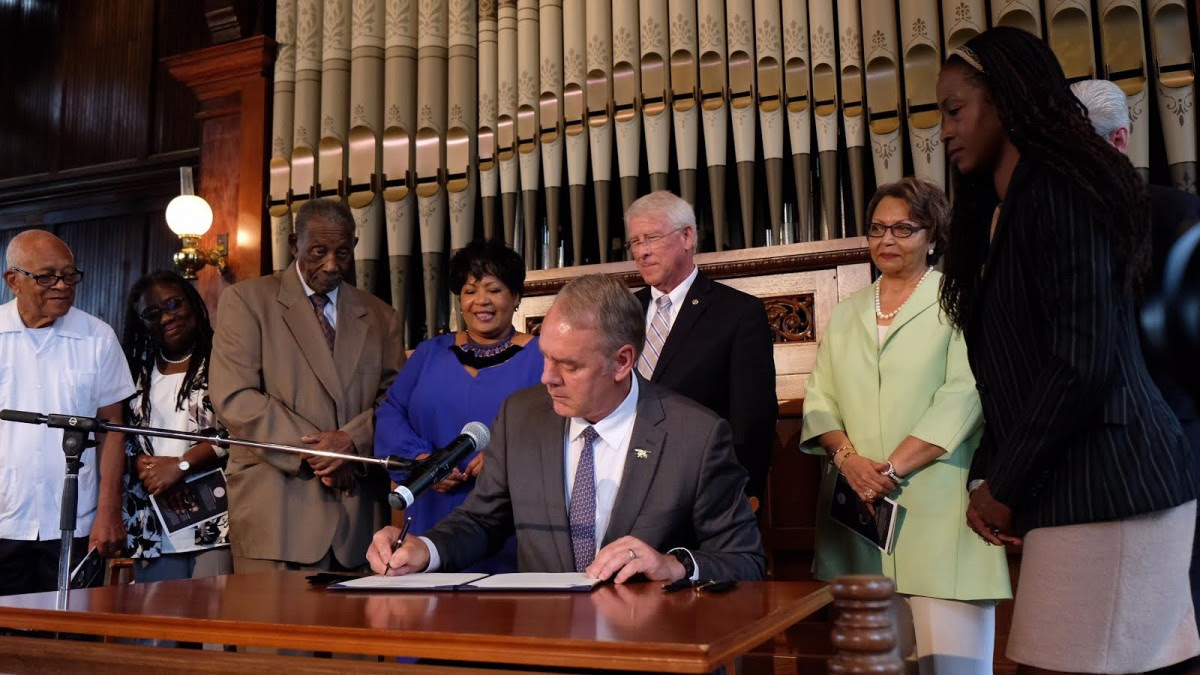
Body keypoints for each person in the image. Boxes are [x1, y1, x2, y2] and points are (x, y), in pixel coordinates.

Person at [937, 28, 1199, 673]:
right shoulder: (1004, 211)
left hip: (1117, 481)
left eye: (954, 109)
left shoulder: (1059, 190)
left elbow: (1084, 358)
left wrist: (1007, 483)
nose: (942, 131)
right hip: (1081, 484)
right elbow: (1013, 374)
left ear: (1005, 100)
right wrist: (988, 476)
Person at [366, 274, 765, 583]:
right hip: (547, 647)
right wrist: (425, 549)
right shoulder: (521, 416)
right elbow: (482, 521)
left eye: (569, 365)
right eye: (545, 358)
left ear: (622, 361)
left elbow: (743, 560)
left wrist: (674, 565)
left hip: (651, 649)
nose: (546, 378)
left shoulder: (695, 434)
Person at [800, 179, 1010, 673]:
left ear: (934, 235)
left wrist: (890, 470)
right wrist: (850, 462)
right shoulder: (848, 310)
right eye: (877, 229)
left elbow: (965, 393)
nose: (886, 240)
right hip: (858, 519)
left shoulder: (960, 298)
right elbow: (819, 397)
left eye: (903, 228)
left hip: (939, 513)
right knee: (872, 665)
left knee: (951, 666)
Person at [210, 199, 405, 573]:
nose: (332, 265)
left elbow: (396, 401)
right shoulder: (247, 301)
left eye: (342, 253)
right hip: (278, 509)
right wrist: (322, 452)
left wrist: (351, 444)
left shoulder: (381, 316)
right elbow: (235, 397)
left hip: (357, 517)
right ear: (294, 243)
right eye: (319, 251)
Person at [374, 239, 541, 572]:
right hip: (429, 507)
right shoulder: (428, 353)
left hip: (507, 514)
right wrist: (421, 461)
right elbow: (391, 412)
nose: (481, 301)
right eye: (469, 291)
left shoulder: (542, 357)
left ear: (517, 297)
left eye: (494, 289)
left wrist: (503, 458)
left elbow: (559, 426)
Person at [0, 230, 136, 595]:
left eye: (70, 275)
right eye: (46, 276)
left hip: (76, 522)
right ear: (13, 280)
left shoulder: (98, 337)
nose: (62, 285)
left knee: (72, 638)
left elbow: (113, 429)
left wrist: (108, 512)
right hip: (5, 518)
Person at [624, 190, 778, 503]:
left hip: (699, 490)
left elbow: (752, 420)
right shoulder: (623, 311)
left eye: (651, 237)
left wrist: (744, 497)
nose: (642, 252)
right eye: (636, 242)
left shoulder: (737, 313)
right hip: (625, 487)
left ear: (687, 236)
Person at [120, 270, 232, 582]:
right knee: (157, 626)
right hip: (152, 521)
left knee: (211, 623)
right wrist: (142, 465)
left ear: (193, 304)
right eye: (152, 313)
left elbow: (240, 432)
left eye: (174, 305)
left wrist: (181, 465)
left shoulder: (224, 361)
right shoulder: (134, 371)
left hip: (214, 519)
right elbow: (119, 435)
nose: (167, 318)